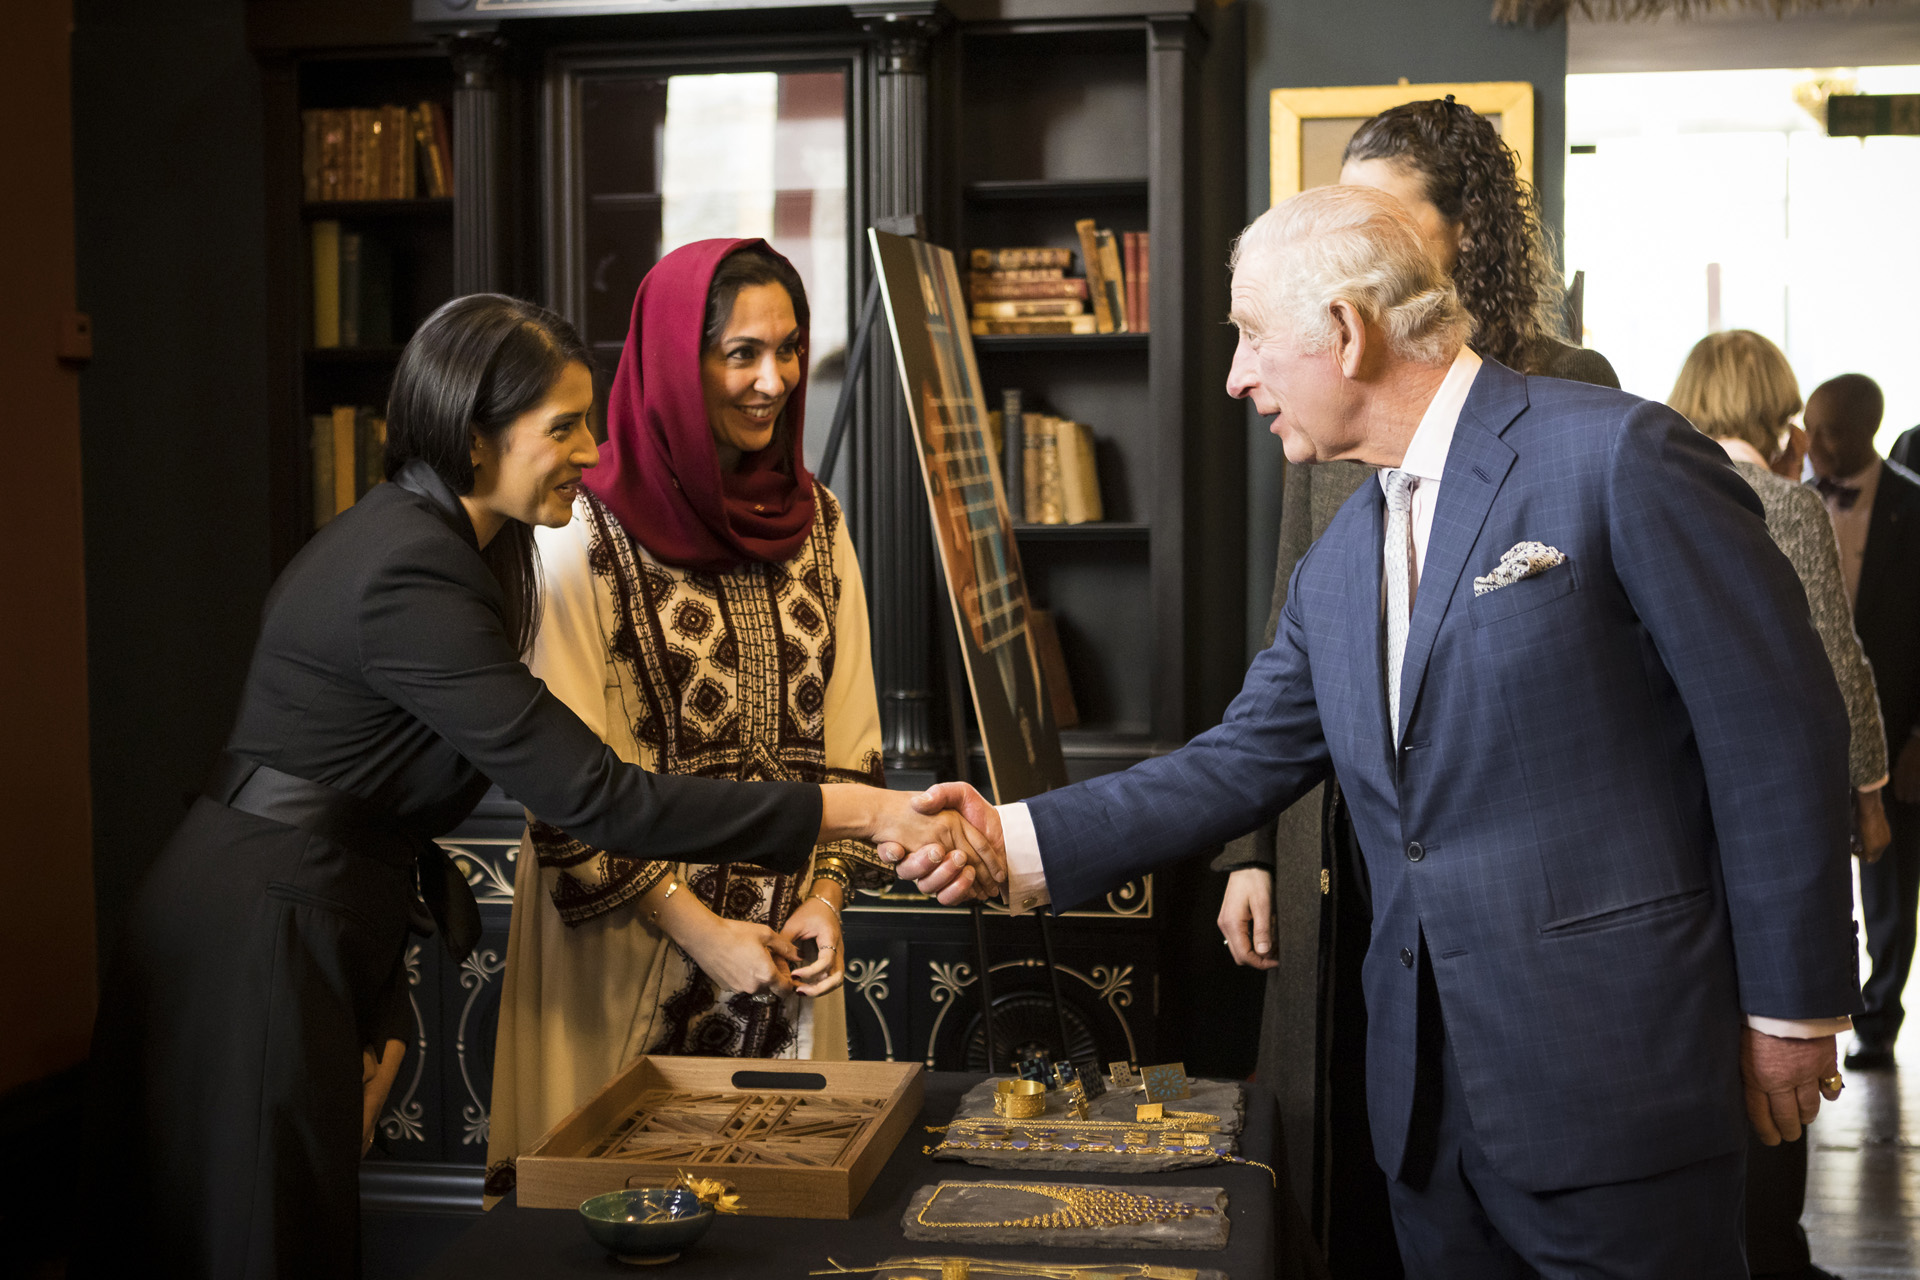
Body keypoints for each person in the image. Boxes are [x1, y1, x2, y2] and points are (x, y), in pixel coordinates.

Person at [897, 186, 1857, 1276]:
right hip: (1423, 1120)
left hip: (1617, 1086)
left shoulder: (1620, 454)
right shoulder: (1340, 560)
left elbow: (1775, 731)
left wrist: (1793, 1007)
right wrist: (1009, 837)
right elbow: (1238, 760)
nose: (1236, 376)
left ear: (1347, 331)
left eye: (1253, 336)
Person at [80, 293, 997, 1279]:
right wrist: (855, 807)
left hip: (299, 916)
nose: (594, 450)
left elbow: (372, 818)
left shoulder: (450, 545)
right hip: (255, 938)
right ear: (476, 439)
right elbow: (605, 798)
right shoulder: (408, 571)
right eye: (562, 426)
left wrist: (380, 1005)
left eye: (592, 420)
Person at [1212, 94, 1620, 1270]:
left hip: (1494, 862)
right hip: (1329, 832)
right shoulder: (1316, 404)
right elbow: (1289, 647)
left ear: (1461, 237)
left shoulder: (1573, 393)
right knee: (1348, 1122)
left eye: (1380, 214)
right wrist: (1251, 851)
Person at [484, 241, 894, 1193]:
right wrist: (698, 927)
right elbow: (562, 783)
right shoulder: (576, 530)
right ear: (675, 356)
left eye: (789, 351)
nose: (773, 381)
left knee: (777, 1210)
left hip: (787, 951)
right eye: (741, 353)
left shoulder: (819, 524)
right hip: (623, 959)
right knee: (611, 1215)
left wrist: (827, 898)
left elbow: (851, 736)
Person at [1670, 330, 1890, 1280]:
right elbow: (1836, 667)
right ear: (1775, 407)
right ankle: (1772, 1251)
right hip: (1772, 815)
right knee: (1781, 1027)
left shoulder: (1653, 486)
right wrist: (1870, 794)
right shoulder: (1784, 503)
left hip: (1675, 820)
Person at [1805, 374, 1920, 1074]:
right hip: (1813, 724)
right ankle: (1813, 1012)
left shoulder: (1914, 505)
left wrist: (1917, 740)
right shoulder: (1789, 502)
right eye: (1810, 429)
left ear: (1867, 432)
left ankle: (1878, 1021)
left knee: (1891, 884)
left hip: (1897, 729)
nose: (1813, 446)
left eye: (1829, 434)